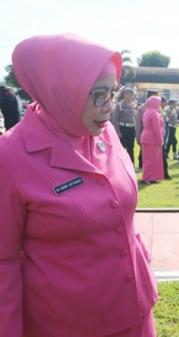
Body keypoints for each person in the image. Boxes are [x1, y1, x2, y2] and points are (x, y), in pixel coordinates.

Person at [0, 34, 157, 337]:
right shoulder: (11, 156)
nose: (109, 106)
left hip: (135, 311)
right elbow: (3, 262)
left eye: (113, 92)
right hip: (69, 323)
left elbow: (122, 214)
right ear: (60, 88)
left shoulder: (105, 132)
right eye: (98, 94)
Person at [141, 96, 165, 184]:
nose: (160, 104)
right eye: (159, 102)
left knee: (150, 159)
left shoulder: (147, 111)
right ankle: (147, 177)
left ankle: (152, 177)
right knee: (151, 159)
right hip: (152, 139)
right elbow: (156, 129)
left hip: (146, 137)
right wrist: (160, 141)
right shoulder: (154, 113)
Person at [111, 86, 137, 163]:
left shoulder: (134, 104)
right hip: (123, 128)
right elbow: (115, 119)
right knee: (122, 147)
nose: (128, 96)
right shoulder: (119, 105)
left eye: (130, 94)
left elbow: (135, 117)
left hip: (131, 129)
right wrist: (118, 131)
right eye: (126, 94)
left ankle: (131, 164)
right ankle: (120, 163)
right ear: (123, 95)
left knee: (131, 147)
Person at [135, 90, 159, 169]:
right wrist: (138, 136)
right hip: (145, 133)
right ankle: (142, 165)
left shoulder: (157, 107)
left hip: (155, 134)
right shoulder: (142, 108)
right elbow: (138, 123)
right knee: (144, 152)